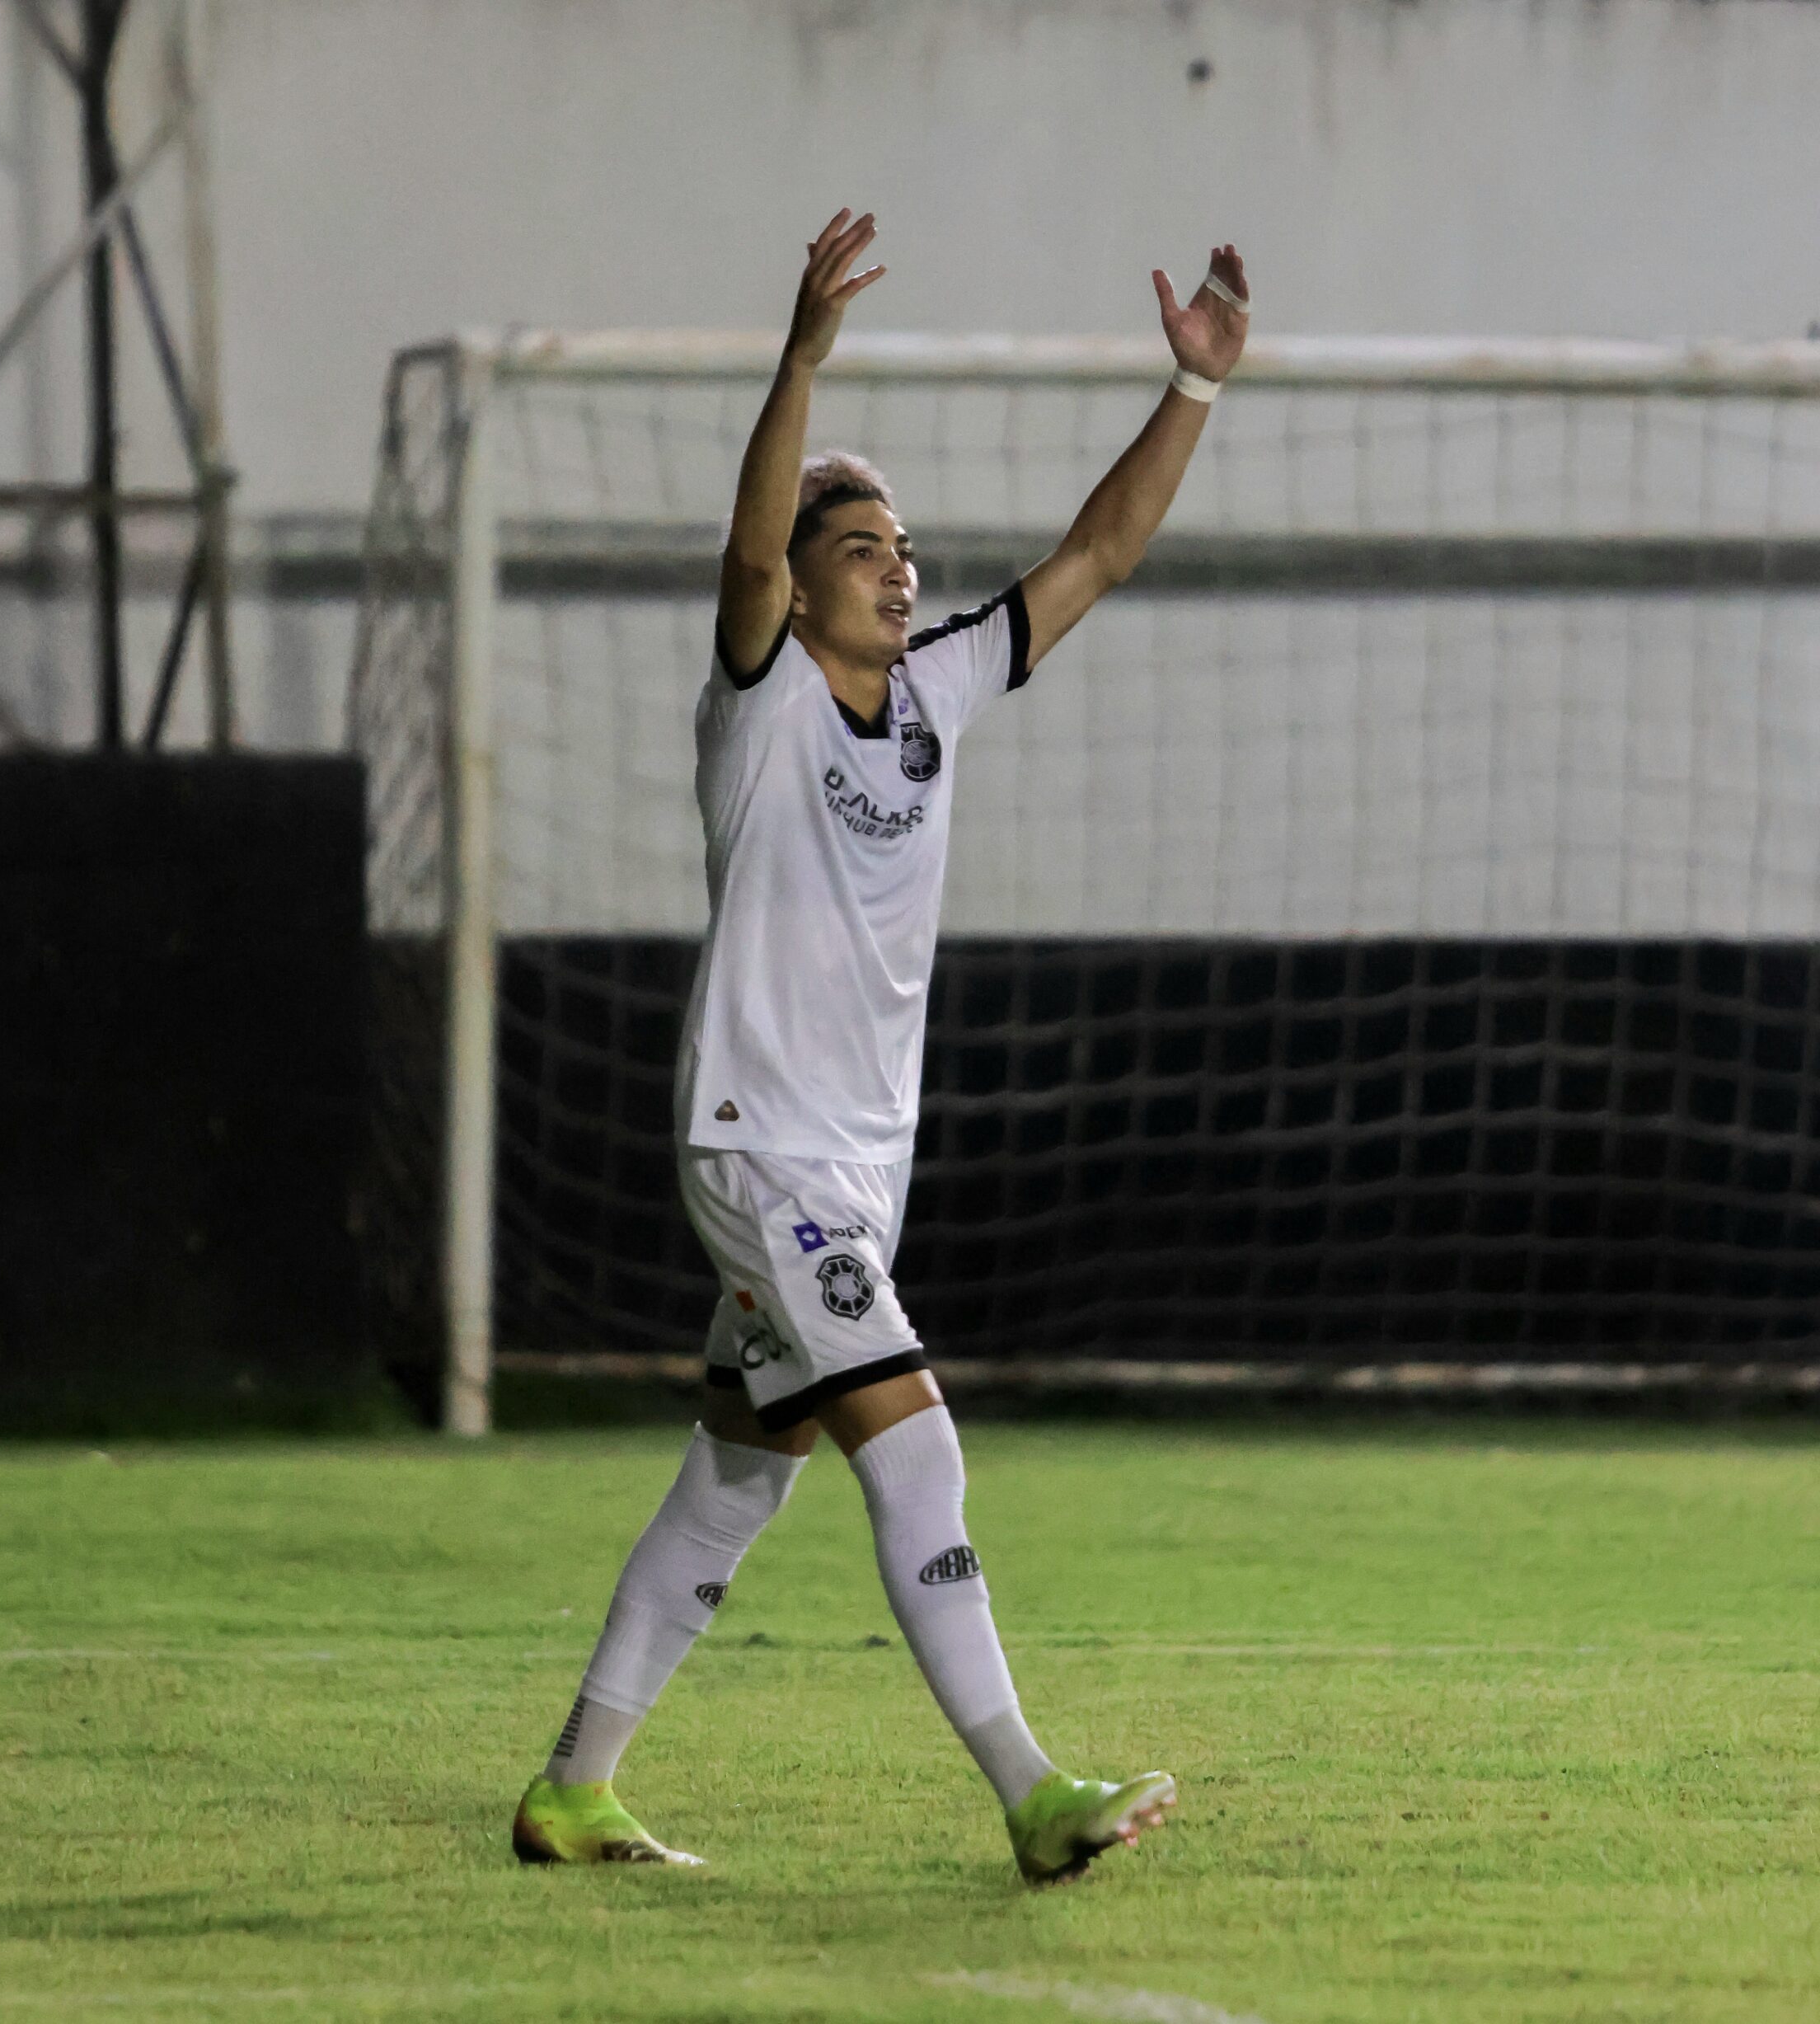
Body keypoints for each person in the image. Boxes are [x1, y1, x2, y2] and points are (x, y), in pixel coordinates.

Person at [514, 210, 1250, 1882]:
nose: (897, 567)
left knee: (735, 1480)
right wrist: (799, 362)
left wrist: (1194, 392)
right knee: (915, 1441)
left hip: (852, 1171)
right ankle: (1030, 1792)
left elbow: (1098, 553)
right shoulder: (761, 697)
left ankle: (572, 1789)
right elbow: (745, 561)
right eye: (861, 546)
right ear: (801, 578)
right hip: (761, 1150)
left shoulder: (937, 693)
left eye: (903, 546)